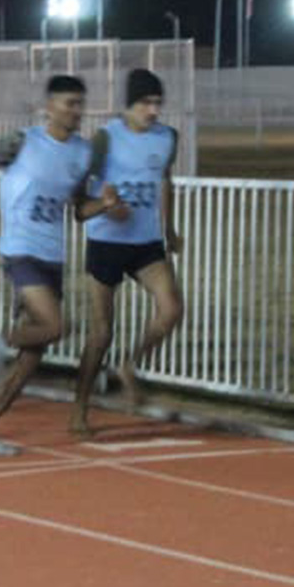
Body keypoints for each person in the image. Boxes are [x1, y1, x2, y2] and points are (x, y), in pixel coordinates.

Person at [0, 75, 121, 455]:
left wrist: (106, 205)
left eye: (80, 104)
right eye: (69, 103)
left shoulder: (81, 153)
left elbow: (79, 210)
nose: (76, 111)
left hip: (53, 256)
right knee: (55, 326)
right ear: (49, 107)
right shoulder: (22, 142)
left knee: (32, 356)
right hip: (20, 250)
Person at [71, 68, 185, 435]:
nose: (152, 111)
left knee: (171, 309)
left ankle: (130, 365)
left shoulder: (168, 137)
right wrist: (104, 205)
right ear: (129, 105)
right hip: (106, 241)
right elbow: (79, 195)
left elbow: (164, 179)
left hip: (146, 242)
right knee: (102, 332)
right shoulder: (106, 138)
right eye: (145, 103)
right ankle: (80, 409)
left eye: (157, 103)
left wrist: (169, 228)